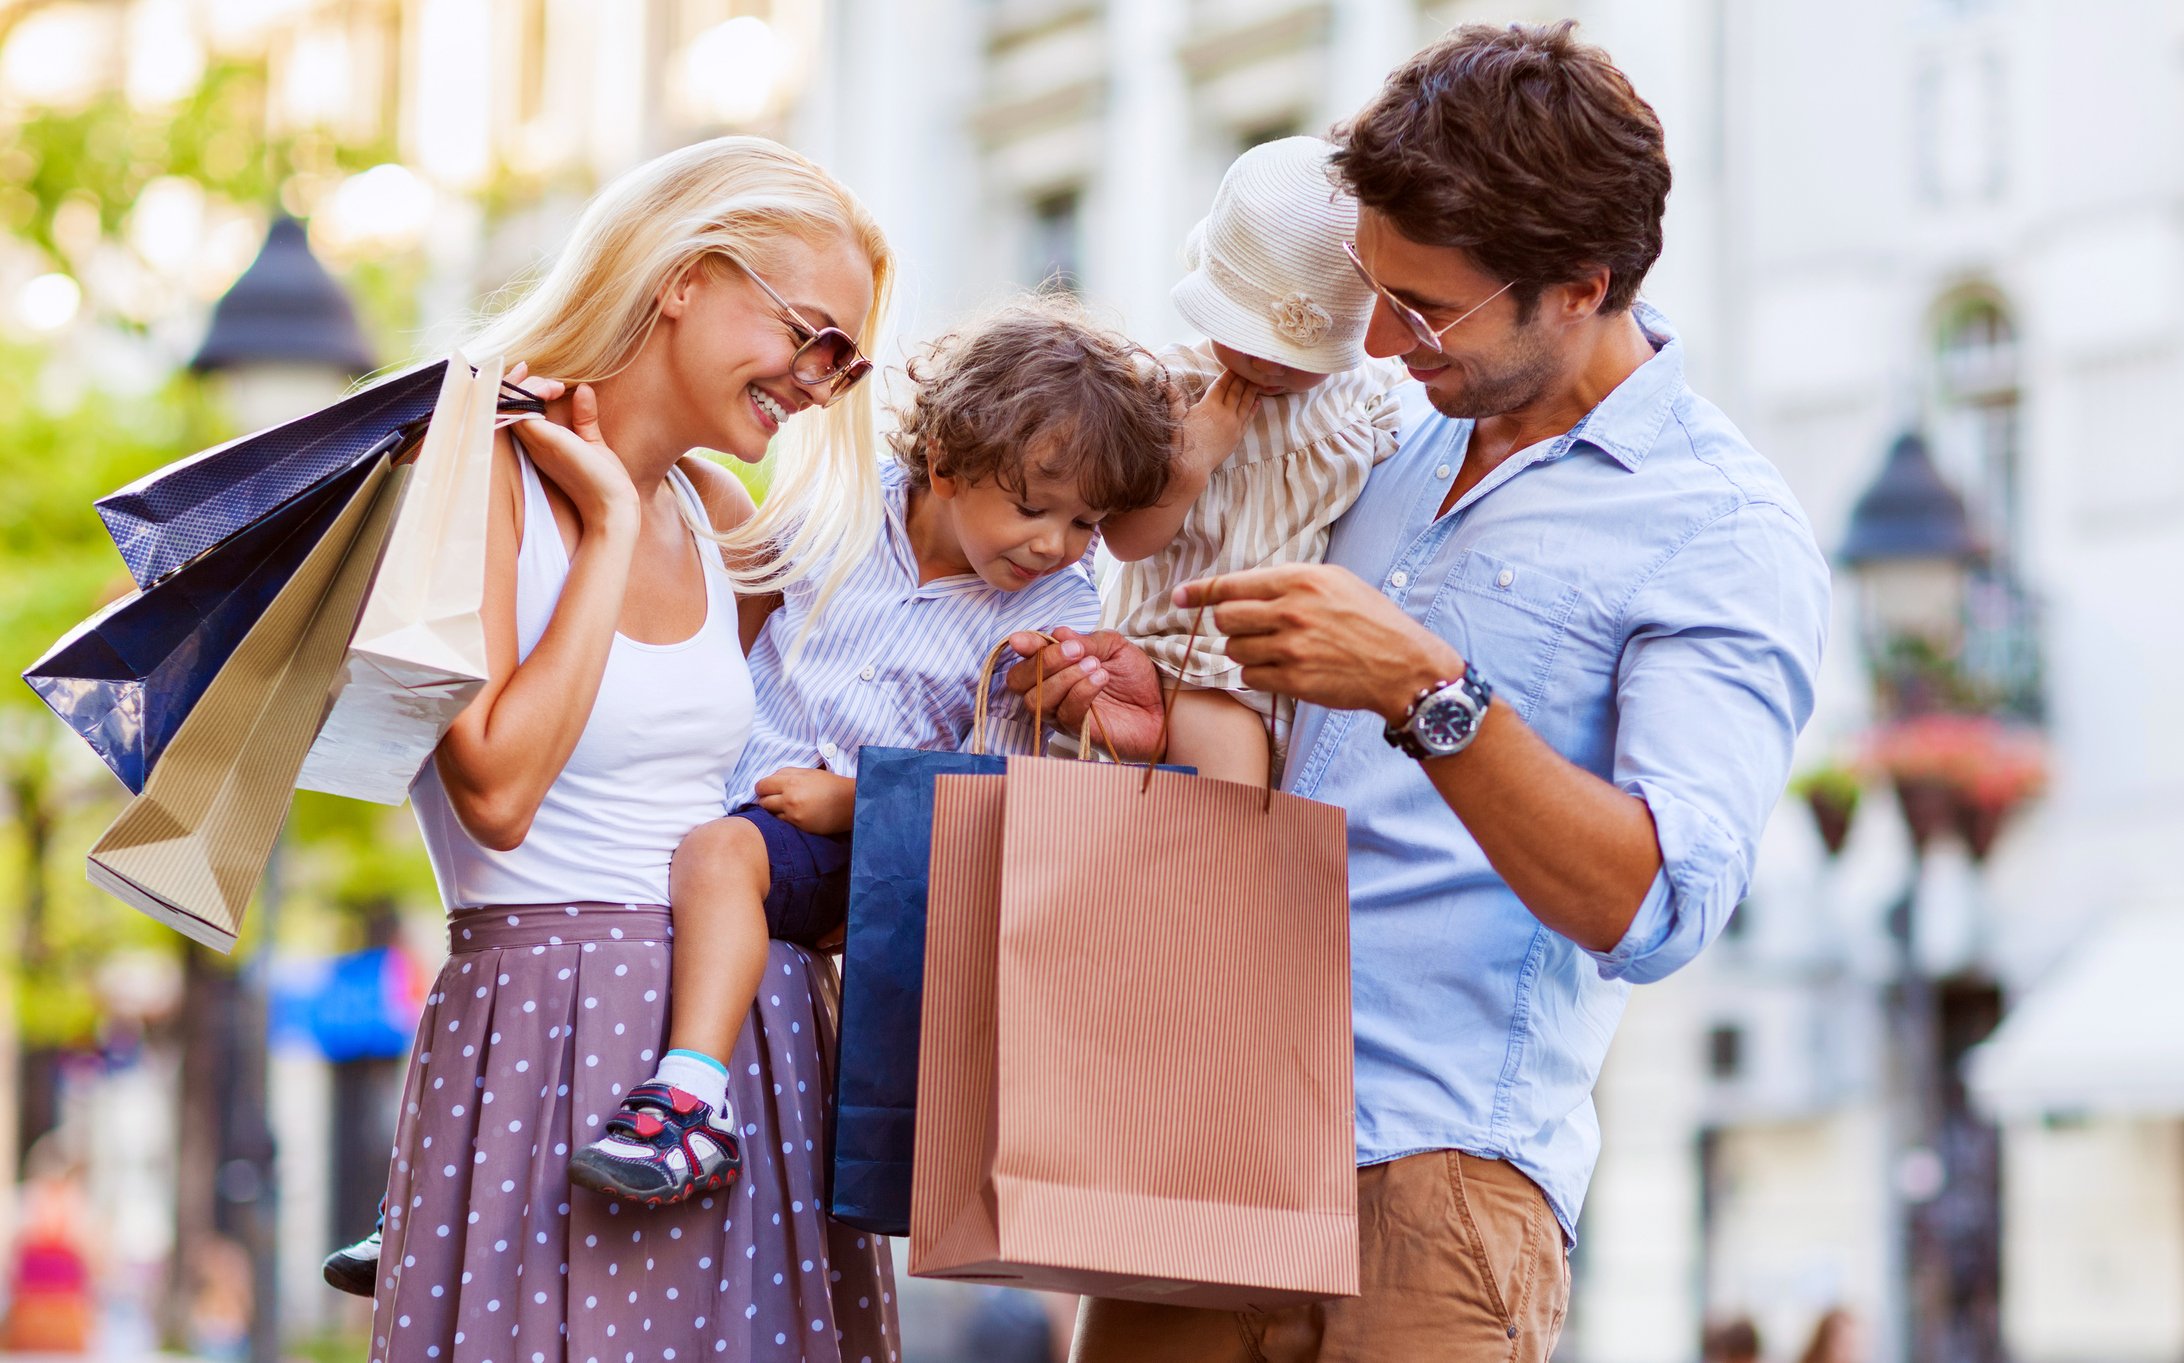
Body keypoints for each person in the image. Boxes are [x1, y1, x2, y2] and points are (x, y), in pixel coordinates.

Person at [1010, 22, 1830, 1362]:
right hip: (1198, 1130)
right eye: (1373, 290)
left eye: (1426, 306)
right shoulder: (1372, 429)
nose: (1382, 341)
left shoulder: (1720, 530)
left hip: (1431, 1189)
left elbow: (1661, 901)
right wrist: (1154, 707)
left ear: (1578, 285)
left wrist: (1428, 690)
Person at [350, 135, 900, 1362]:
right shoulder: (475, 459)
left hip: (738, 1045)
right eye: (814, 336)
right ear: (684, 277)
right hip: (546, 1023)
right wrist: (602, 527)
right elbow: (492, 786)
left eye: (846, 362)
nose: (821, 382)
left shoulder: (720, 514)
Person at [569, 298, 1177, 1204]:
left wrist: (859, 802)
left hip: (854, 849)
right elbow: (738, 614)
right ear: (945, 462)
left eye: (1086, 523)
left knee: (718, 857)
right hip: (720, 796)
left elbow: (991, 798)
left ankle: (693, 1102)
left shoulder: (1053, 621)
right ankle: (486, 1146)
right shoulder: (837, 504)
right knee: (586, 889)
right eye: (1032, 507)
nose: (1055, 543)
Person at [1099, 135, 1404, 785]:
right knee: (1230, 849)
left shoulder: (1364, 401)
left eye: (1297, 358)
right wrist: (1188, 466)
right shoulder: (1170, 387)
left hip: (1300, 674)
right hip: (1188, 658)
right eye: (1245, 335)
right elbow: (1123, 539)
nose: (1266, 364)